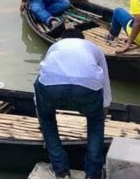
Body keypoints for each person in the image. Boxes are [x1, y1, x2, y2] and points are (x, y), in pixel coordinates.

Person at [34, 28, 111, 179]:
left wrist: (42, 119)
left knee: (48, 119)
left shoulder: (55, 47)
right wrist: (101, 115)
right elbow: (106, 85)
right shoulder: (94, 48)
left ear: (62, 39)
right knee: (95, 122)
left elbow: (43, 75)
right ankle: (93, 174)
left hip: (51, 88)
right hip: (87, 88)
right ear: (83, 39)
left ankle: (61, 171)